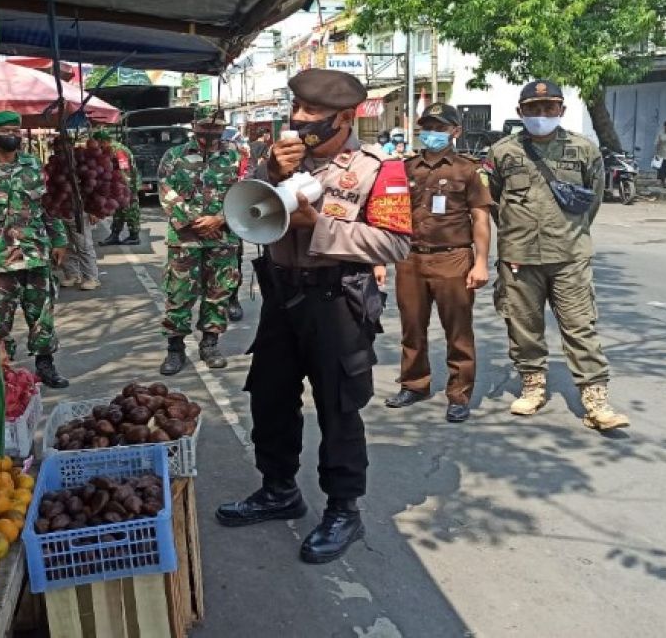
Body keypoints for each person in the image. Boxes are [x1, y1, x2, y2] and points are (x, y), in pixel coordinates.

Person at [216, 68, 412, 564]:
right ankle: (278, 489)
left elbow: (395, 242)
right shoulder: (279, 157)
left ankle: (344, 508)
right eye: (296, 109)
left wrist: (318, 226)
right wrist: (272, 171)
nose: (299, 120)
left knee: (338, 406)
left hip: (336, 301)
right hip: (282, 297)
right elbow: (250, 211)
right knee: (269, 395)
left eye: (312, 114)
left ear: (345, 118)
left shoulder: (377, 168)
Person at [485, 80, 629, 430]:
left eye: (549, 107)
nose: (541, 115)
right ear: (520, 112)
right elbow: (494, 201)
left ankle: (595, 398)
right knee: (523, 325)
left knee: (580, 326)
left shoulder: (584, 150)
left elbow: (592, 201)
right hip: (519, 256)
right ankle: (532, 383)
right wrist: (514, 233)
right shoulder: (502, 152)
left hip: (569, 256)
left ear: (561, 110)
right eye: (533, 109)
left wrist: (570, 233)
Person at [385, 102, 492, 423]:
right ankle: (414, 384)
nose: (431, 134)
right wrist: (382, 258)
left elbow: (480, 219)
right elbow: (389, 213)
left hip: (454, 258)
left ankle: (459, 394)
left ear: (455, 132)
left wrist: (481, 262)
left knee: (458, 330)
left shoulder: (468, 170)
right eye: (427, 128)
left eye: (439, 128)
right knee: (412, 327)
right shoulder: (405, 168)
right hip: (410, 258)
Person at [0, 110, 69, 388]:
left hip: (35, 253)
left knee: (41, 313)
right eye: (6, 132)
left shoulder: (32, 166)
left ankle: (45, 364)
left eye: (16, 132)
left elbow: (47, 207)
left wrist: (59, 239)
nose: (13, 137)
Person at [157, 104, 241, 374]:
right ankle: (175, 349)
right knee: (179, 294)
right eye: (205, 127)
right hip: (185, 239)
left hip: (223, 238)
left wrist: (221, 219)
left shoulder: (235, 157)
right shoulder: (174, 156)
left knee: (218, 293)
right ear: (194, 126)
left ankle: (210, 344)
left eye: (216, 128)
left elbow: (247, 194)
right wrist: (196, 222)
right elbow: (166, 192)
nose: (210, 133)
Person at [98, 129, 142, 246]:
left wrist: (126, 188)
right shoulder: (111, 149)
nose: (99, 147)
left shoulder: (119, 151)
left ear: (104, 141)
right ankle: (115, 235)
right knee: (118, 210)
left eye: (99, 143)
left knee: (130, 210)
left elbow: (125, 170)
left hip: (128, 185)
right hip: (119, 185)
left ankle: (134, 236)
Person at [59, 204, 101, 291]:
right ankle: (72, 274)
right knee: (64, 244)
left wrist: (94, 210)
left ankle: (91, 277)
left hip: (79, 209)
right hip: (59, 210)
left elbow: (93, 191)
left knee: (84, 245)